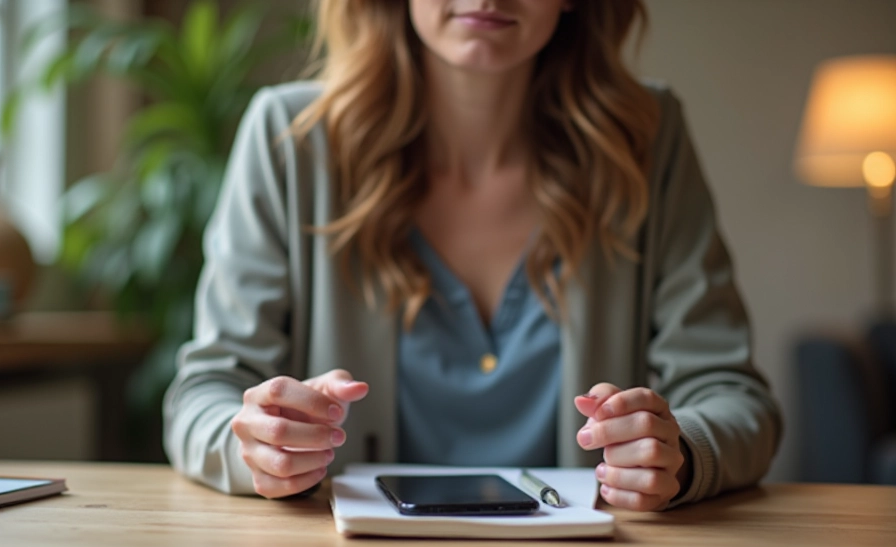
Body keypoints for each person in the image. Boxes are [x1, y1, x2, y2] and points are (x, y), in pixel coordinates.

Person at [163, 0, 782, 512]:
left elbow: (734, 397)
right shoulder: (288, 141)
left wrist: (680, 453)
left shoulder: (649, 140)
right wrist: (255, 445)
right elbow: (205, 395)